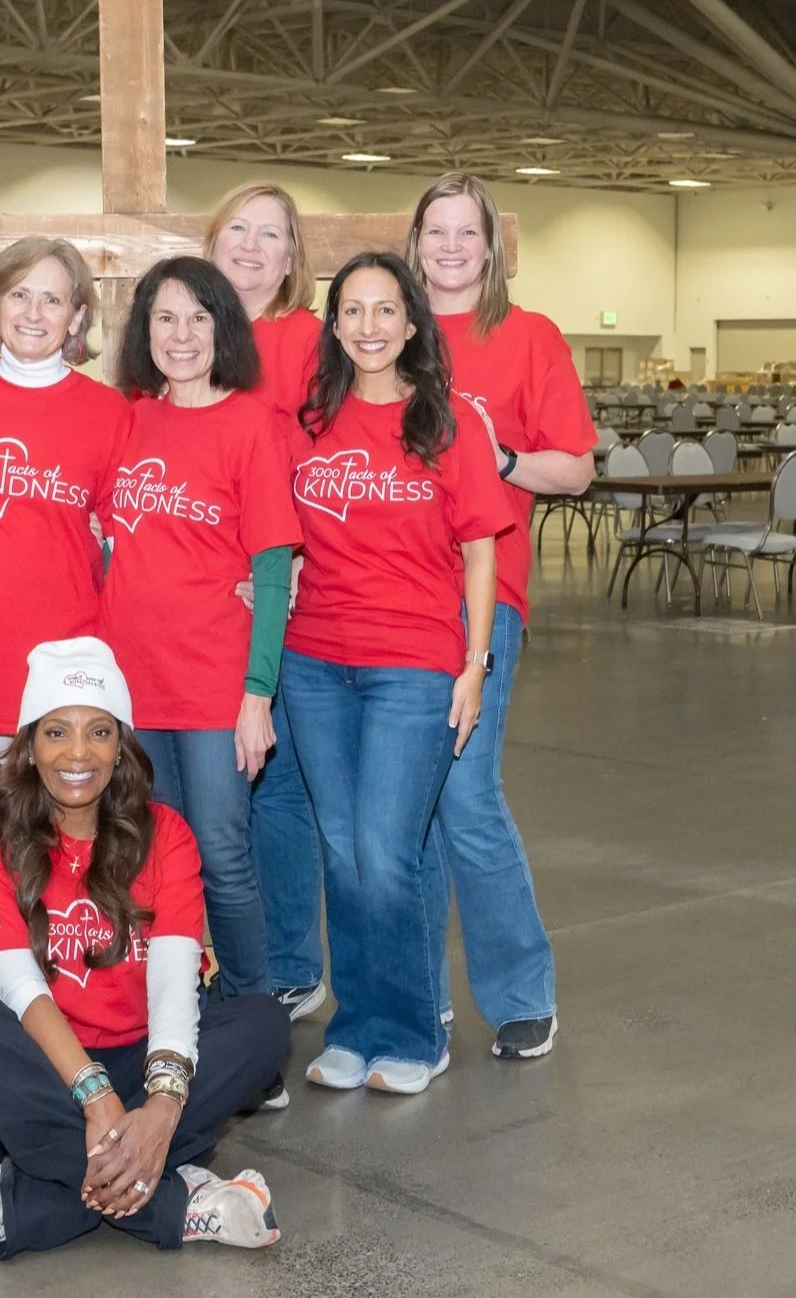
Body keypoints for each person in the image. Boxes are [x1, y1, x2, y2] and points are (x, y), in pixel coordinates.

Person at [0, 637, 290, 1258]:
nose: (78, 753)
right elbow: (17, 988)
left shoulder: (165, 836)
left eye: (99, 732)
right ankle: (176, 1202)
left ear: (121, 746)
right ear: (29, 747)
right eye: (56, 732)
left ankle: (23, 1206)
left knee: (264, 1022)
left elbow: (177, 983)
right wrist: (95, 1097)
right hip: (23, 1079)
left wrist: (164, 1105)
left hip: (135, 1067)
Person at [280, 251, 510, 1096]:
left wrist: (475, 665)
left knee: (387, 851)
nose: (369, 326)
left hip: (412, 665)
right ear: (334, 324)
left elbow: (481, 551)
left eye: (385, 310)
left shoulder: (446, 425)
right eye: (352, 311)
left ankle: (415, 1031)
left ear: (412, 324)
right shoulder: (307, 422)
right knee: (342, 854)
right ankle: (357, 1026)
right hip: (315, 664)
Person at [407, 173, 595, 1062]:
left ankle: (520, 990)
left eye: (465, 232)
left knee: (467, 796)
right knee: (399, 810)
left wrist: (501, 457)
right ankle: (414, 997)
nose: (450, 246)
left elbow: (576, 470)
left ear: (492, 247)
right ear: (416, 243)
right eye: (435, 230)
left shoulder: (529, 339)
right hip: (383, 604)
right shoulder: (385, 336)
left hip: (486, 598)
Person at [101, 256, 301, 1009]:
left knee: (222, 853)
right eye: (164, 317)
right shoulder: (129, 419)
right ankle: (178, 1010)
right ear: (144, 329)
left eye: (198, 317)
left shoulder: (250, 426)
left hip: (216, 681)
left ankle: (254, 1017)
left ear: (224, 329)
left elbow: (273, 570)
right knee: (155, 856)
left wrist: (258, 695)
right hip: (135, 682)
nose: (181, 334)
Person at [0, 238, 132, 825]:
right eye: (20, 295)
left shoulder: (110, 413)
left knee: (65, 844)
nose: (34, 313)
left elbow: (135, 534)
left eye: (52, 299)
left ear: (77, 317)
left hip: (69, 663)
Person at [201, 184, 327, 1022]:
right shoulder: (184, 329)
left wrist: (297, 562)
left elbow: (334, 454)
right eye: (237, 230)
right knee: (197, 796)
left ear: (291, 258)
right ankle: (206, 959)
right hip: (192, 599)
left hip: (276, 588)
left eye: (270, 235)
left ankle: (287, 964)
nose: (251, 246)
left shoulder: (310, 341)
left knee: (275, 789)